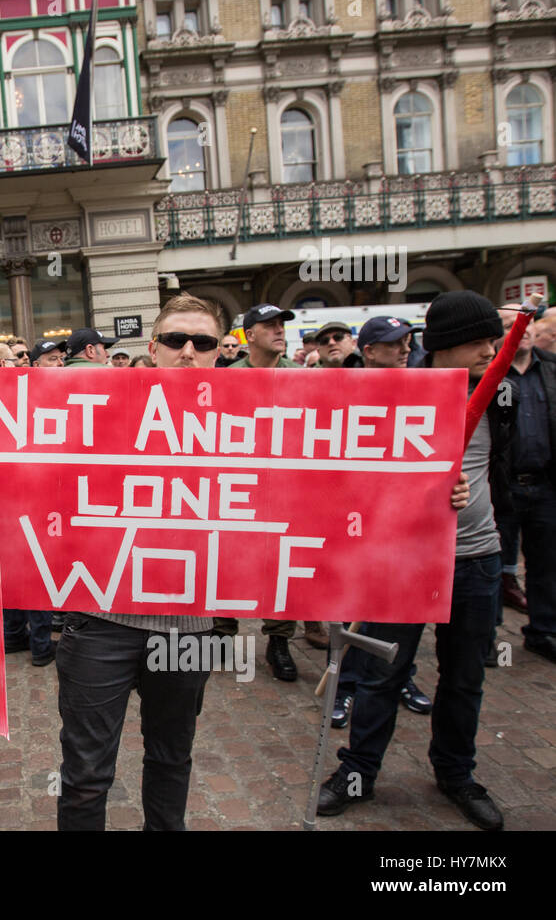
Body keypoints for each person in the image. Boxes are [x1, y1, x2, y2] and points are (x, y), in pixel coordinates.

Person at [318, 291, 513, 831]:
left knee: (465, 676)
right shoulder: (395, 396)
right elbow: (359, 476)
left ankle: (456, 773)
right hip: (405, 557)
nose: (488, 351)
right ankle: (356, 773)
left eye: (493, 340)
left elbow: (509, 465)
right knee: (383, 671)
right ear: (446, 344)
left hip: (476, 556)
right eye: (477, 341)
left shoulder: (499, 395)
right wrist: (418, 496)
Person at [56, 295, 222, 830]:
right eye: (176, 341)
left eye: (203, 342)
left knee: (172, 761)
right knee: (84, 777)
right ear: (153, 348)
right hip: (100, 617)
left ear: (220, 353)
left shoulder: (252, 420)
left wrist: (430, 490)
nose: (189, 352)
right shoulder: (100, 403)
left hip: (187, 626)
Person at [330, 317, 435, 727]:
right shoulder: (341, 392)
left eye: (407, 342)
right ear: (369, 350)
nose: (405, 349)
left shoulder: (425, 391)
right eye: (393, 344)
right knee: (351, 604)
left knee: (397, 606)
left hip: (402, 520)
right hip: (352, 518)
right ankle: (343, 686)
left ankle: (400, 676)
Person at [220, 304, 310, 677]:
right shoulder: (228, 378)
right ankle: (222, 634)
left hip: (288, 486)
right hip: (238, 484)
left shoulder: (305, 377)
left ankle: (279, 641)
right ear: (249, 335)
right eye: (269, 325)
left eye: (281, 325)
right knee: (226, 558)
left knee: (281, 563)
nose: (278, 330)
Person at [494, 304, 556, 664]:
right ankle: (490, 636)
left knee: (546, 563)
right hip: (504, 486)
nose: (524, 329)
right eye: (512, 324)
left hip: (545, 484)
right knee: (497, 565)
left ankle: (543, 630)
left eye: (528, 322)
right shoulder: (494, 374)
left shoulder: (549, 369)